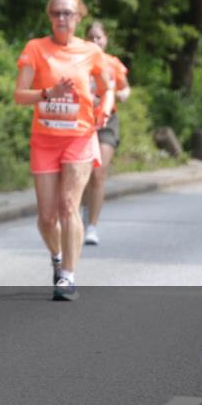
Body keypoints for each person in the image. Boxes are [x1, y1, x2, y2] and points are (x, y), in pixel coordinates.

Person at [14, 0, 113, 301]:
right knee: (46, 217)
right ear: (49, 17)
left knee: (69, 205)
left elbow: (107, 88)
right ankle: (57, 258)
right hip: (44, 140)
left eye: (67, 13)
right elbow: (19, 94)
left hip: (79, 137)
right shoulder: (35, 48)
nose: (61, 18)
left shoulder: (91, 52)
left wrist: (105, 109)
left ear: (78, 17)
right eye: (56, 13)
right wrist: (48, 93)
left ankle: (68, 276)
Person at [80, 21, 130, 246]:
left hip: (107, 121)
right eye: (91, 37)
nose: (95, 42)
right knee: (82, 173)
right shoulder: (79, 60)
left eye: (98, 37)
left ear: (106, 40)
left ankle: (92, 226)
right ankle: (79, 214)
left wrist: (123, 94)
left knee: (98, 173)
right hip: (82, 121)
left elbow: (125, 86)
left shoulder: (113, 64)